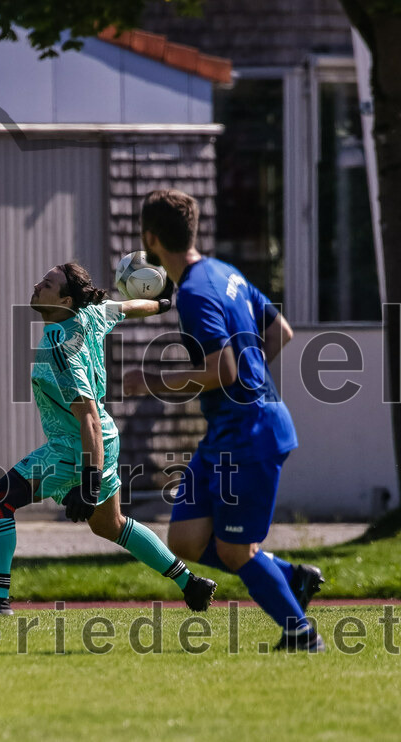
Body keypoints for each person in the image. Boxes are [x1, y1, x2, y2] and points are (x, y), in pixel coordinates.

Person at [123, 189, 325, 652]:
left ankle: (301, 635)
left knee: (235, 551)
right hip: (227, 433)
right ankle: (291, 576)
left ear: (150, 238)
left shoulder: (194, 293)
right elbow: (281, 331)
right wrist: (249, 381)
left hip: (249, 436)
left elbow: (223, 370)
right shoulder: (224, 272)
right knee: (186, 540)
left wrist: (150, 380)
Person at [0, 262, 218, 616]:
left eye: (48, 283)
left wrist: (88, 483)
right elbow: (130, 307)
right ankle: (191, 584)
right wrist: (163, 302)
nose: (37, 285)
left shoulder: (61, 344)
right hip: (104, 437)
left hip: (79, 446)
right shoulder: (91, 314)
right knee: (110, 524)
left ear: (67, 300)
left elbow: (85, 415)